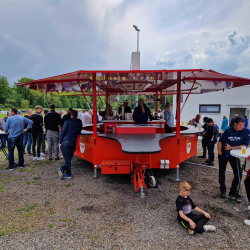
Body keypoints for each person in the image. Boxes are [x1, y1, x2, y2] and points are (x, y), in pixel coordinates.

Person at [217, 116, 250, 199]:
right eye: (239, 125)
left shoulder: (246, 131)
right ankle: (223, 191)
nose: (241, 126)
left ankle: (233, 191)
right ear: (235, 124)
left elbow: (245, 146)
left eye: (243, 124)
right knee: (222, 173)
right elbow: (220, 141)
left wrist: (231, 148)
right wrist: (220, 152)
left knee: (238, 173)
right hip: (223, 154)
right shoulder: (228, 131)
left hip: (234, 155)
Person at [58, 110, 82, 179]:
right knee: (68, 158)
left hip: (66, 142)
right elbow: (79, 131)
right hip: (74, 142)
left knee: (67, 159)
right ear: (77, 115)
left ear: (71, 115)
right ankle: (62, 169)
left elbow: (63, 132)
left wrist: (60, 141)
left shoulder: (67, 122)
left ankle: (68, 173)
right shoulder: (79, 122)